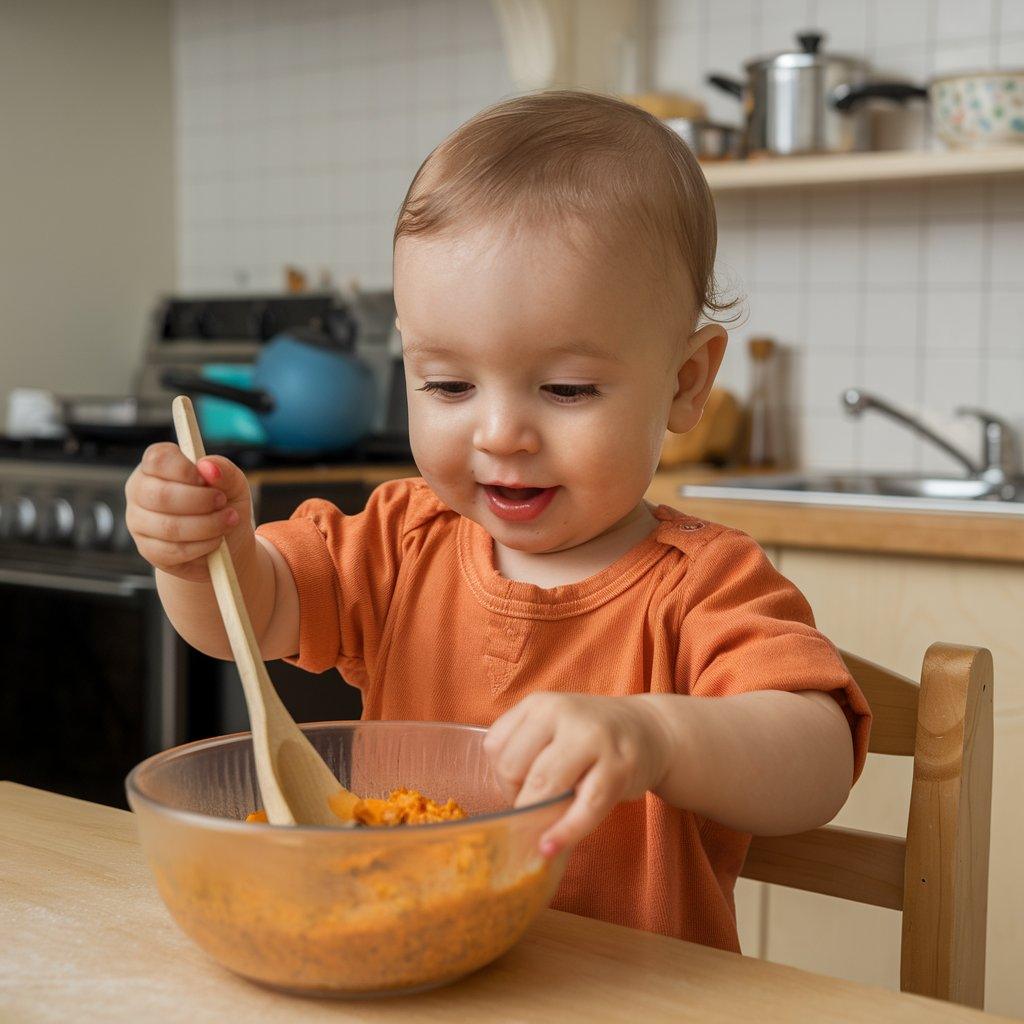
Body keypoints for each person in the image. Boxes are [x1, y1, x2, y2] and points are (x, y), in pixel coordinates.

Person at [125, 90, 870, 953]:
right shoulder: (400, 541)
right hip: (408, 968)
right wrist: (196, 559)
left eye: (566, 389)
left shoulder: (705, 584)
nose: (500, 434)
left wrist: (658, 735)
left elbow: (816, 764)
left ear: (687, 382)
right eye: (446, 385)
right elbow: (243, 623)